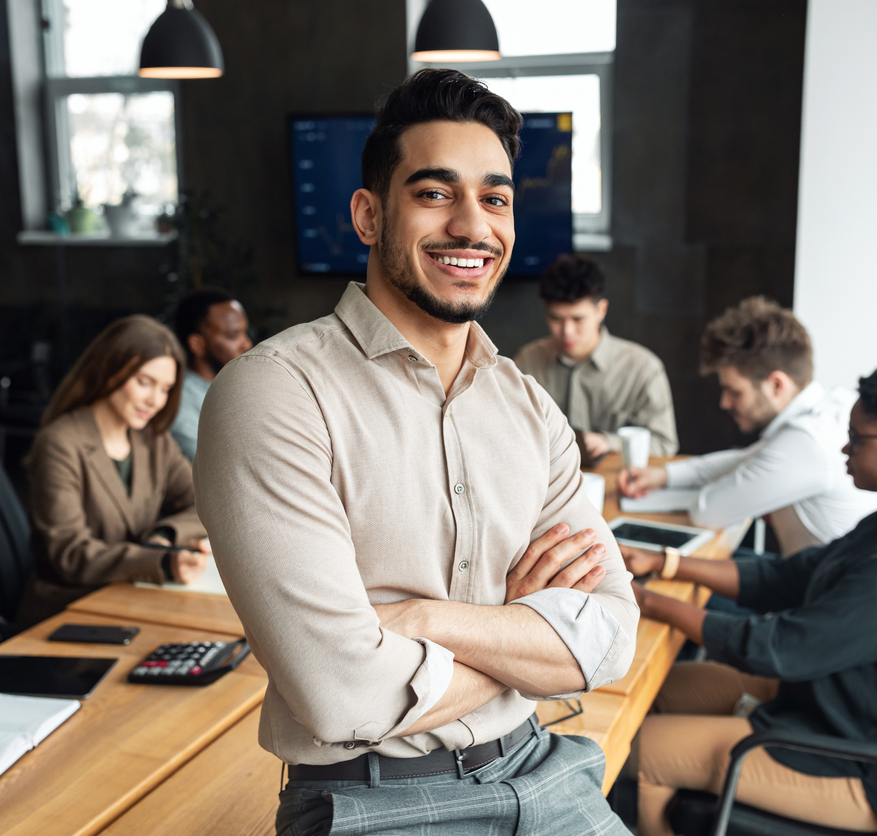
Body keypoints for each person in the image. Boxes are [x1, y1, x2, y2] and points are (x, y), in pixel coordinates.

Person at [198, 69, 638, 836]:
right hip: (376, 803)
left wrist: (419, 620)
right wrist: (517, 627)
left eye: (494, 198)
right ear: (368, 215)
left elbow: (607, 641)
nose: (472, 226)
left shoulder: (530, 408)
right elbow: (342, 693)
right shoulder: (274, 393)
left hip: (544, 768)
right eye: (435, 193)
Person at [621, 366, 877, 836]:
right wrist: (668, 563)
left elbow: (777, 649)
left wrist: (650, 604)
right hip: (835, 702)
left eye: (857, 439)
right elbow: (795, 574)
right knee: (652, 689)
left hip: (864, 763)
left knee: (638, 751)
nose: (844, 448)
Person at [618, 296, 877, 557]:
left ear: (777, 385)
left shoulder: (807, 442)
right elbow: (750, 458)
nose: (724, 402)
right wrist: (664, 476)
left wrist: (712, 492)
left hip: (814, 597)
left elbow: (708, 512)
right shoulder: (830, 406)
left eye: (734, 392)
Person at [16, 314, 209, 626]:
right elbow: (71, 553)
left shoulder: (152, 439)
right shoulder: (61, 442)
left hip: (135, 597)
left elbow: (204, 501)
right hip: (69, 610)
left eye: (165, 389)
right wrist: (160, 561)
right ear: (109, 370)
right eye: (145, 382)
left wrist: (164, 536)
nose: (155, 400)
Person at [515, 254, 678, 460]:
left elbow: (664, 444)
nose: (567, 332)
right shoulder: (527, 361)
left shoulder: (643, 368)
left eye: (578, 319)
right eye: (556, 318)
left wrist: (608, 442)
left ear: (601, 310)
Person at [170, 288, 253, 461]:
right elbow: (215, 464)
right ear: (197, 344)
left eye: (245, 332)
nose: (246, 343)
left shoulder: (245, 386)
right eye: (232, 335)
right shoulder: (180, 401)